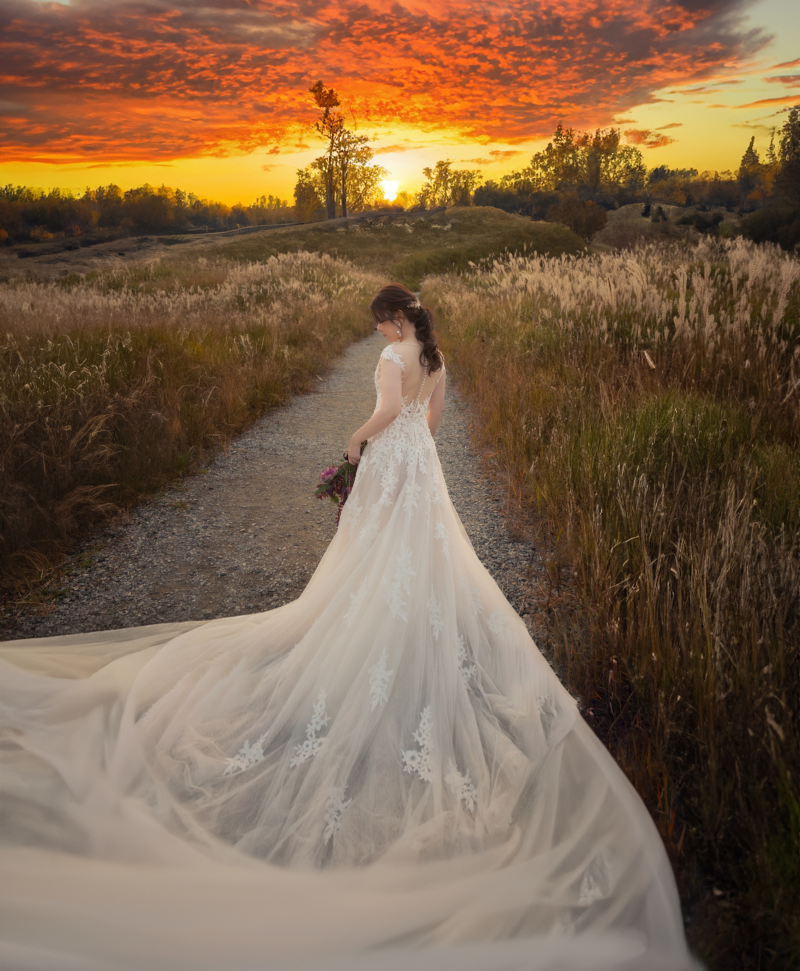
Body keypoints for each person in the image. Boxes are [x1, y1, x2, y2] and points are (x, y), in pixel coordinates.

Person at [0, 283, 697, 971]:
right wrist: (404, 456)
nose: (377, 335)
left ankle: (373, 647)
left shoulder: (395, 360)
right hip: (421, 470)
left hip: (395, 462)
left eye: (379, 324)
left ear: (394, 319)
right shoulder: (438, 356)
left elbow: (392, 414)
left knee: (373, 563)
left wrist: (357, 440)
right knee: (423, 563)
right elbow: (429, 426)